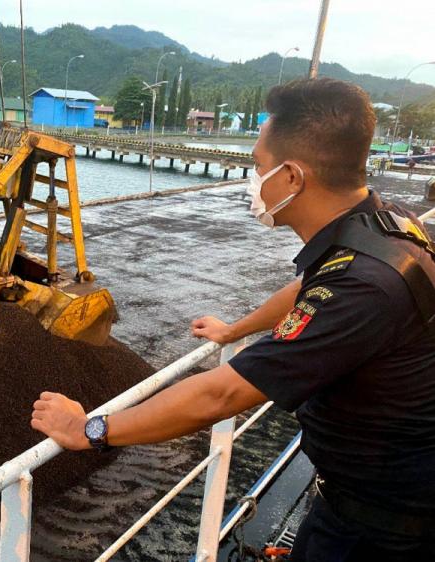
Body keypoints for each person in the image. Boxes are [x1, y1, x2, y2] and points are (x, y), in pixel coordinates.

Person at [30, 78, 435, 562]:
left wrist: (89, 430)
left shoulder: (364, 288)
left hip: (384, 526)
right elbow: (307, 288)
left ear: (292, 177)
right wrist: (235, 330)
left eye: (258, 167)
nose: (253, 179)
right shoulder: (383, 223)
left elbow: (220, 395)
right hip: (364, 493)